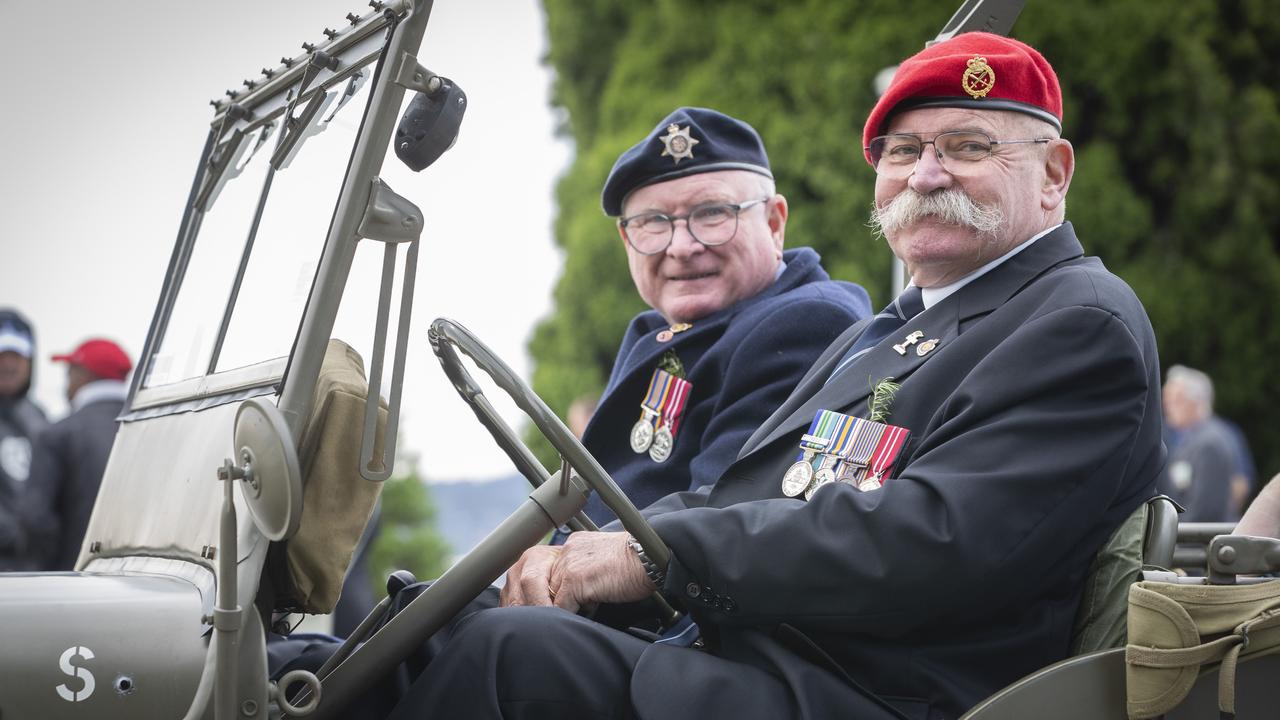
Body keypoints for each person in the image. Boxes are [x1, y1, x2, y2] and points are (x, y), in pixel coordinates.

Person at [287, 33, 1165, 720]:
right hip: (774, 658)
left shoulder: (1073, 321)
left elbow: (932, 541)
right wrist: (592, 560)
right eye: (901, 152)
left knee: (507, 660)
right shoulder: (902, 328)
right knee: (404, 639)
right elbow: (759, 492)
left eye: (967, 145)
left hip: (879, 694)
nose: (926, 173)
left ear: (1053, 175)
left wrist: (649, 559)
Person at [574, 107, 871, 526]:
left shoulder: (806, 324)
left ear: (773, 222)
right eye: (652, 222)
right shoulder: (661, 329)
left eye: (712, 213)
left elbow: (718, 517)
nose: (680, 246)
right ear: (626, 237)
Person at [24, 339, 132, 570]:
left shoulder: (56, 434)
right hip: (138, 581)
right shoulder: (146, 431)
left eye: (69, 373)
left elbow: (34, 518)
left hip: (70, 584)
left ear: (83, 375)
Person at [1158, 365, 1239, 522]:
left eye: (1176, 399)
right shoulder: (1190, 438)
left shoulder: (1209, 444)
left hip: (1199, 543)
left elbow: (1204, 512)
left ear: (1196, 401)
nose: (1167, 405)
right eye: (1166, 399)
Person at [0, 309, 49, 571]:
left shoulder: (39, 418)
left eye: (17, 355)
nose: (9, 364)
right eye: (3, 354)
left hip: (36, 571)